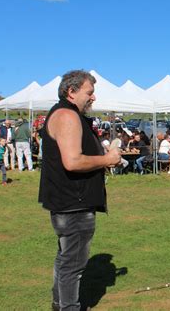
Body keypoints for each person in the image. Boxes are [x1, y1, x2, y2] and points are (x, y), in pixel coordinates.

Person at [38, 70, 121, 310]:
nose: (93, 98)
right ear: (71, 92)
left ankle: (59, 304)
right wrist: (106, 160)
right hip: (74, 203)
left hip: (70, 201)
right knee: (72, 265)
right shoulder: (67, 115)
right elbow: (72, 161)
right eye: (90, 92)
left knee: (66, 261)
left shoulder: (65, 113)